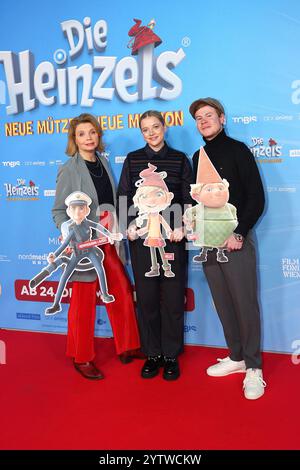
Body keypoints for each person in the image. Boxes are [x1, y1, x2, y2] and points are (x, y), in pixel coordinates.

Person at [51, 113, 141, 380]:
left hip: (108, 239)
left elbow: (109, 202)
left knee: (121, 290)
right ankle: (81, 357)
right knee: (83, 301)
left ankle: (128, 346)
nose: (88, 137)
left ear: (98, 136)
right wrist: (67, 231)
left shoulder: (102, 161)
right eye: (81, 134)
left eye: (92, 132)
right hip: (84, 245)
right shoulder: (69, 168)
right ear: (74, 139)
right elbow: (58, 210)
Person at [189, 97, 266, 400]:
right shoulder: (198, 156)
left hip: (235, 242)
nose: (204, 120)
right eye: (198, 117)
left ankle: (254, 367)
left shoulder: (238, 151)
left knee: (244, 303)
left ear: (222, 118)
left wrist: (239, 233)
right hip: (208, 243)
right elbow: (200, 201)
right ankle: (236, 357)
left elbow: (255, 198)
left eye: (209, 115)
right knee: (223, 302)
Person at [117, 110, 193, 380]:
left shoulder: (179, 159)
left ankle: (171, 355)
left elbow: (187, 196)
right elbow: (124, 194)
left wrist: (183, 225)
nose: (151, 133)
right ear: (142, 132)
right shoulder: (133, 159)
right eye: (146, 129)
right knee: (147, 299)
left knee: (173, 298)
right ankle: (153, 354)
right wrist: (128, 226)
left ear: (165, 127)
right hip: (141, 239)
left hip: (171, 237)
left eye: (156, 127)